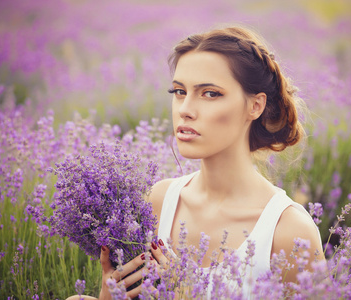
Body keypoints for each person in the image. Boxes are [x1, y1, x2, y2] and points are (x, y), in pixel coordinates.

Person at [68, 25, 324, 300]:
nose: (185, 110)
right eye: (179, 91)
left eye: (210, 93)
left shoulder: (289, 232)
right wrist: (111, 295)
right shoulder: (158, 201)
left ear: (255, 106)